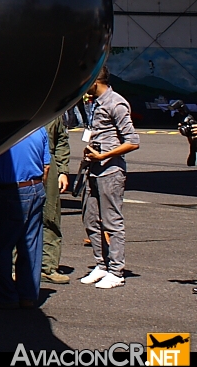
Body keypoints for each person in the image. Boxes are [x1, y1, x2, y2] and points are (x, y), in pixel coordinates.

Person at [79, 67, 139, 289]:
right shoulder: (94, 103)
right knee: (91, 219)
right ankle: (101, 264)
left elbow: (133, 141)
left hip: (110, 171)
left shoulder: (116, 103)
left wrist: (104, 155)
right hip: (93, 169)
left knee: (112, 222)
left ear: (96, 81)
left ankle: (116, 270)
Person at [0, 127, 49, 309]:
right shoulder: (39, 128)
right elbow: (46, 165)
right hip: (36, 186)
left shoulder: (2, 132)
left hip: (12, 191)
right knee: (31, 245)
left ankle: (5, 296)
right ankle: (27, 295)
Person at [41, 115, 71, 284]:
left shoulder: (53, 112)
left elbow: (61, 140)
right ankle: (15, 266)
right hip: (25, 161)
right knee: (19, 218)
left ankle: (48, 267)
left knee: (50, 216)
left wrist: (63, 171)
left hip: (50, 164)